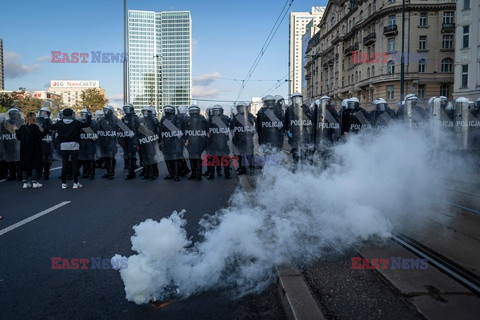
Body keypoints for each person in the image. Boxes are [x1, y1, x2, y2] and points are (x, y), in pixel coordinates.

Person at [48, 108, 92, 189]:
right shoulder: (76, 122)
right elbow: (87, 124)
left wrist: (47, 118)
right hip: (74, 145)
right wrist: (89, 114)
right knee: (74, 164)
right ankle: (75, 183)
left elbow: (50, 127)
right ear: (72, 114)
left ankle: (64, 183)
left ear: (63, 115)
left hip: (63, 146)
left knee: (64, 164)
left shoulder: (60, 123)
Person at [15, 112, 49, 188]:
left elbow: (19, 138)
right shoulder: (35, 127)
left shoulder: (22, 127)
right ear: (33, 118)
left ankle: (25, 183)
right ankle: (34, 182)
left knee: (25, 165)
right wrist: (46, 130)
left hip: (24, 149)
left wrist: (16, 130)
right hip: (34, 149)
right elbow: (40, 136)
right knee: (34, 164)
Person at [284, 92, 314, 166]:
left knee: (305, 150)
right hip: (294, 133)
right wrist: (287, 131)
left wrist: (310, 131)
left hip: (304, 132)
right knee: (295, 150)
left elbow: (310, 121)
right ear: (292, 99)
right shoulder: (290, 109)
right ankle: (296, 165)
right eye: (295, 98)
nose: (296, 100)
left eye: (298, 98)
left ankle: (304, 166)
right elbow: (286, 121)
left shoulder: (305, 108)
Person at [159, 105, 184, 181]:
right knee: (168, 158)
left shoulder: (176, 118)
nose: (167, 111)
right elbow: (160, 130)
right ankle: (171, 174)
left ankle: (176, 175)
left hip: (174, 141)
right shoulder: (163, 118)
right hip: (166, 141)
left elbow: (179, 132)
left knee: (174, 158)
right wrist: (161, 141)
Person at [206, 105, 231, 179]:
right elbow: (229, 130)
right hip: (223, 142)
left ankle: (212, 175)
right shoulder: (226, 118)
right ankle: (227, 175)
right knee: (225, 158)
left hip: (213, 143)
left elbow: (207, 133)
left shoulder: (210, 119)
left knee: (213, 159)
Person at [231, 101, 256, 175]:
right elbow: (232, 128)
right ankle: (242, 168)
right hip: (239, 138)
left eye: (242, 107)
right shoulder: (236, 116)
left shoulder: (250, 116)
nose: (241, 109)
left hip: (247, 138)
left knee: (249, 154)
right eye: (239, 107)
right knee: (241, 155)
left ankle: (251, 168)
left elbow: (252, 127)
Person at [184, 105, 208, 181]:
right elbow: (185, 130)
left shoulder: (200, 118)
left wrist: (186, 140)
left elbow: (206, 130)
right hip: (194, 141)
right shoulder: (190, 119)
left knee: (195, 157)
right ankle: (195, 174)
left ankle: (197, 174)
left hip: (195, 141)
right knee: (194, 158)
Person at [97, 105, 118, 179]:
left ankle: (111, 173)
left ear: (111, 111)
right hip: (104, 141)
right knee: (106, 158)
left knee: (111, 157)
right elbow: (97, 129)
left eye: (107, 110)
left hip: (112, 142)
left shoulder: (115, 119)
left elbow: (124, 129)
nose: (105, 112)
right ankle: (108, 172)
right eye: (104, 110)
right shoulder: (101, 120)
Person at [2, 108, 23, 181]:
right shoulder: (7, 122)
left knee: (14, 162)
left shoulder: (7, 123)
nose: (14, 115)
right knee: (16, 162)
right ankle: (17, 176)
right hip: (14, 145)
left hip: (14, 145)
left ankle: (15, 176)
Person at [119, 103, 139, 180]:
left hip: (133, 139)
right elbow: (120, 128)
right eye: (125, 109)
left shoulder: (135, 118)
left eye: (127, 109)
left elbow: (140, 129)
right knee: (128, 154)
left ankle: (130, 173)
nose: (126, 111)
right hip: (126, 139)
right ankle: (131, 168)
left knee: (131, 154)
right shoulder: (124, 118)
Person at [78, 109, 98, 180]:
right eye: (82, 114)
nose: (83, 115)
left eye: (84, 114)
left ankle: (92, 173)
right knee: (84, 159)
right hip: (82, 142)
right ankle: (85, 172)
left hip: (90, 142)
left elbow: (96, 133)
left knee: (90, 158)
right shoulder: (79, 122)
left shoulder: (93, 122)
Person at [36, 106, 54, 180]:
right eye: (42, 112)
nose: (43, 114)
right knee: (39, 159)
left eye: (45, 113)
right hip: (39, 142)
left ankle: (46, 174)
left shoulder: (49, 121)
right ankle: (39, 173)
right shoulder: (37, 120)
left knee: (46, 159)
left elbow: (50, 131)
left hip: (47, 142)